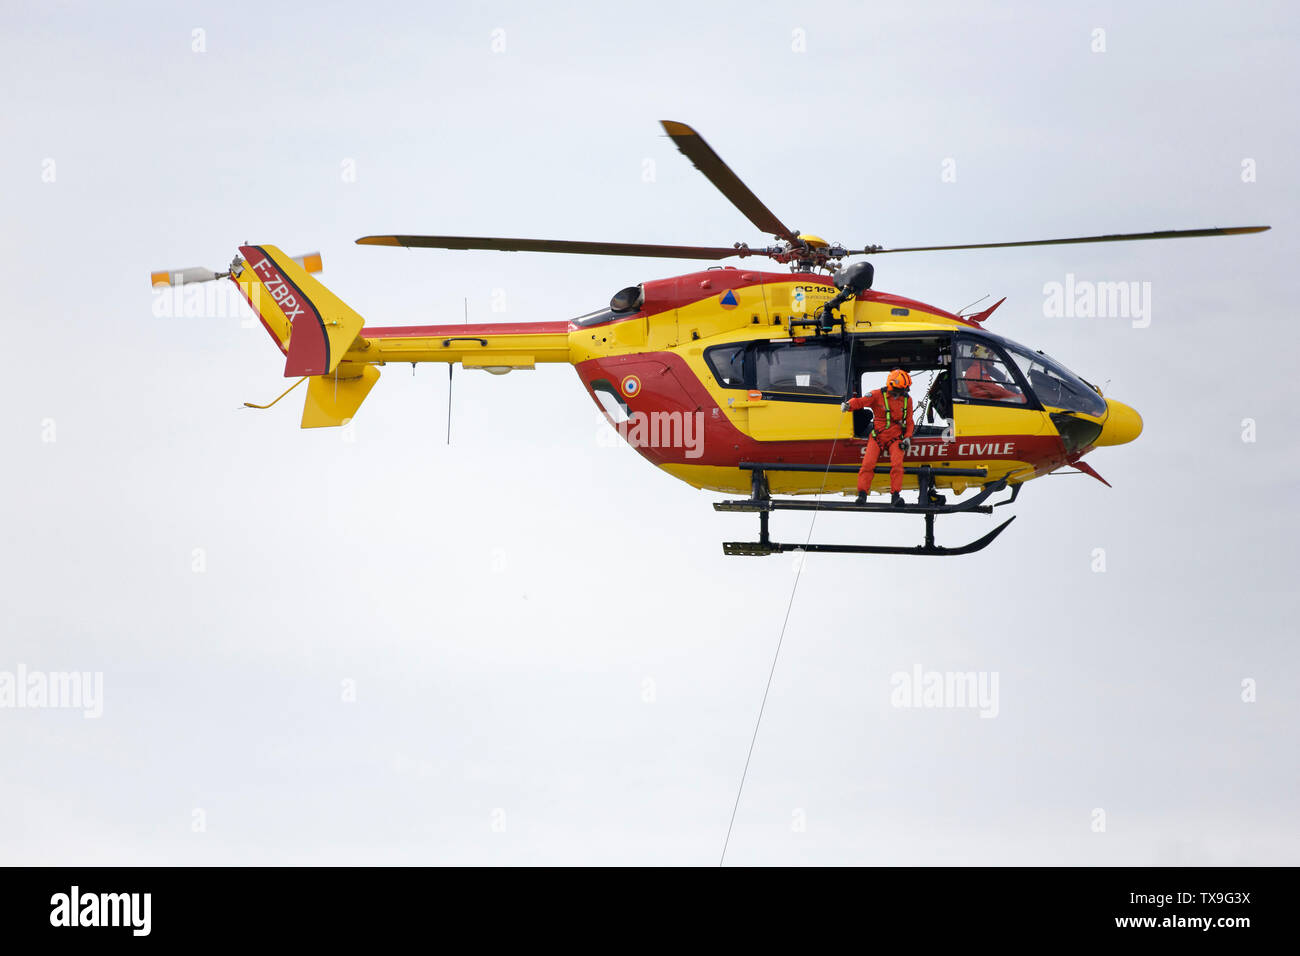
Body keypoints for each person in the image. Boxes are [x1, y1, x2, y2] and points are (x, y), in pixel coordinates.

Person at [841, 368, 914, 507]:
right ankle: (862, 495)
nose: (901, 394)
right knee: (867, 465)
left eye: (903, 391)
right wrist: (848, 405)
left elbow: (909, 421)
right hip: (877, 437)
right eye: (899, 391)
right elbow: (860, 402)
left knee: (897, 466)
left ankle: (896, 496)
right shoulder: (876, 395)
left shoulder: (907, 400)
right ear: (891, 386)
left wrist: (908, 437)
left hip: (896, 438)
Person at [960, 344, 1025, 403]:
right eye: (991, 355)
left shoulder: (979, 369)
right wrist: (1018, 397)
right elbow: (994, 389)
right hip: (983, 405)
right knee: (1018, 400)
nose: (993, 359)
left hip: (984, 403)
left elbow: (993, 389)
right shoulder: (978, 371)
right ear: (984, 355)